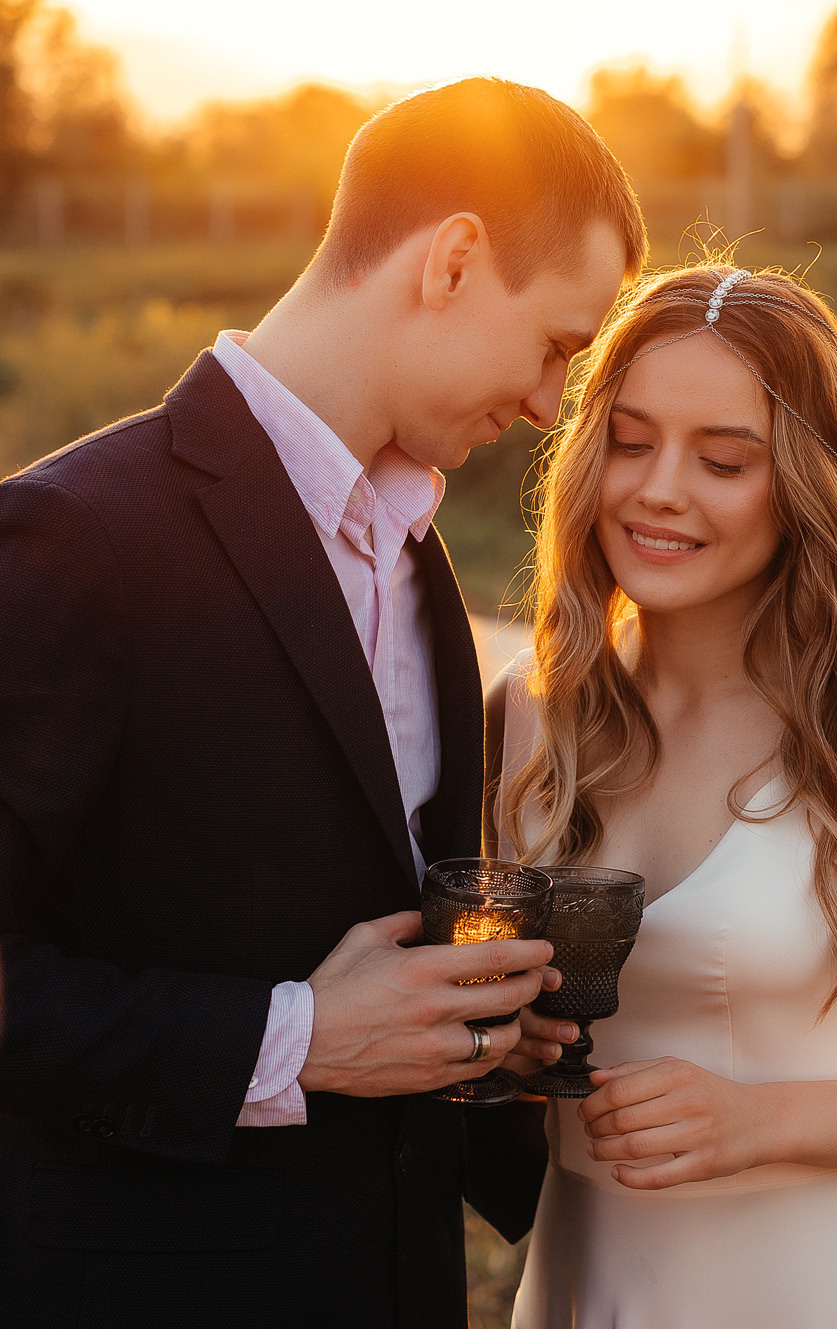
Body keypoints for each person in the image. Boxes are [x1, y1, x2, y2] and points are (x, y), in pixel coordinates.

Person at [0, 78, 645, 1328]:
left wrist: (480, 1043)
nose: (544, 406)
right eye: (557, 346)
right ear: (452, 261)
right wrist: (288, 1038)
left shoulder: (416, 561)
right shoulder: (72, 537)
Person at [489, 264, 837, 1327]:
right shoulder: (528, 716)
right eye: (628, 440)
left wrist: (758, 1122)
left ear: (803, 486)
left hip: (801, 1290)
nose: (659, 488)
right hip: (582, 1290)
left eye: (722, 460)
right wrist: (505, 1044)